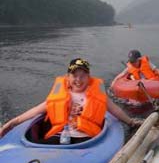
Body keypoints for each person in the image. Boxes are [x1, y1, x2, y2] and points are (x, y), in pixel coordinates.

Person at [0, 58, 141, 143]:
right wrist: (13, 122)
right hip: (60, 136)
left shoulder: (98, 96)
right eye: (74, 76)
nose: (78, 80)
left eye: (82, 76)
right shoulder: (59, 95)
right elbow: (35, 110)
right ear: (67, 77)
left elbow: (115, 110)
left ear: (89, 77)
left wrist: (131, 122)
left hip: (86, 139)